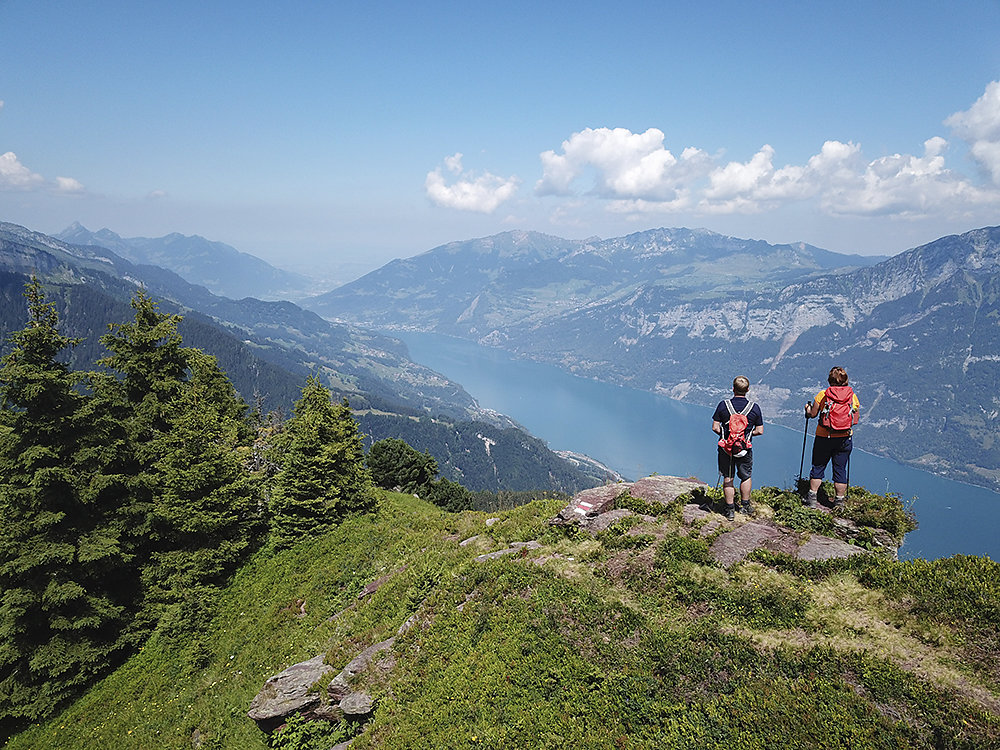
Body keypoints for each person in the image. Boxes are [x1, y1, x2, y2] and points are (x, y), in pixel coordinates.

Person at [804, 366, 860, 508]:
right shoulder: (852, 396)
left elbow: (813, 414)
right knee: (840, 469)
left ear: (830, 380)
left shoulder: (823, 394)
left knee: (818, 466)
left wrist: (807, 409)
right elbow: (854, 417)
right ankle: (839, 502)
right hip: (844, 438)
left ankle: (812, 499)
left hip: (824, 436)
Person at [712, 376, 764, 520]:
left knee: (728, 477)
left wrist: (727, 436)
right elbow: (760, 430)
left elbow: (715, 427)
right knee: (745, 476)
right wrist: (747, 436)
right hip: (744, 449)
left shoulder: (723, 405)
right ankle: (745, 506)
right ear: (747, 390)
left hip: (726, 449)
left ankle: (730, 510)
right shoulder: (754, 408)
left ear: (733, 388)